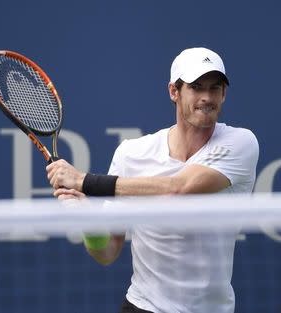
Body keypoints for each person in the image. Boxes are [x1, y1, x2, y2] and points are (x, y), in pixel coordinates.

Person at [46, 47, 259, 313]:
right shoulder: (131, 154)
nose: (206, 97)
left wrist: (84, 181)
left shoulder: (240, 143)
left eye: (214, 88)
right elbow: (108, 252)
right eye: (196, 87)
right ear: (174, 91)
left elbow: (179, 188)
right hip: (143, 307)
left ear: (224, 94)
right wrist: (89, 223)